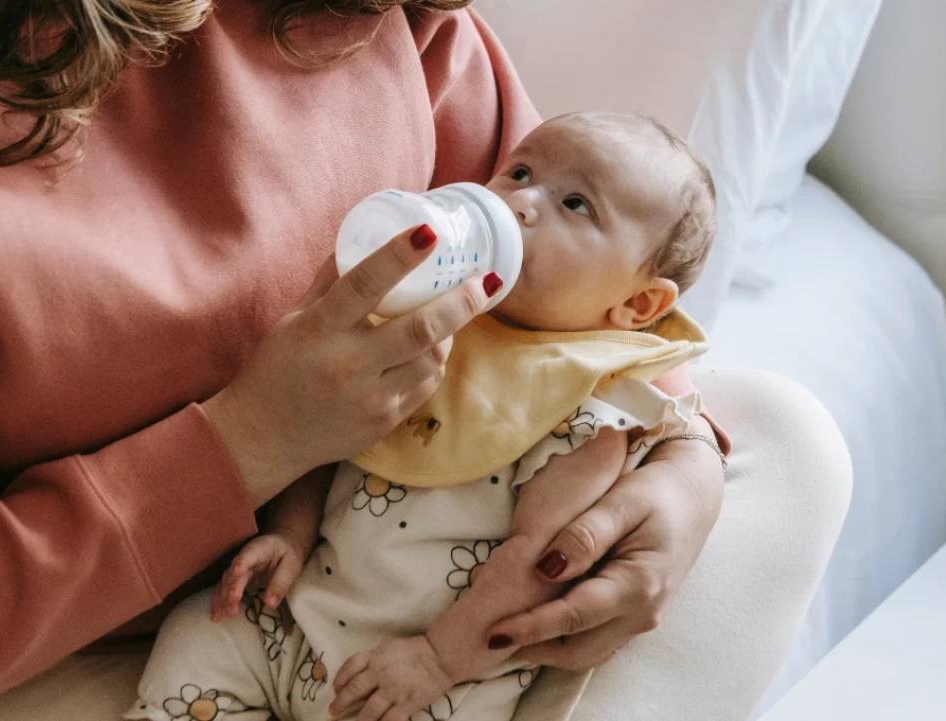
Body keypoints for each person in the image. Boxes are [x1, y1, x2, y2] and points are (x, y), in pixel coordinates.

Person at [0, 2, 851, 720]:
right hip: (53, 634)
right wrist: (252, 441)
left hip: (382, 605)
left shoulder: (386, 21)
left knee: (787, 442)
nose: (522, 199)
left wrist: (681, 473)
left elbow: (585, 285)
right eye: (526, 185)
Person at [128, 110, 718, 721]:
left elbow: (539, 560)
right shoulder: (423, 315)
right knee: (200, 633)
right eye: (519, 173)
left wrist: (439, 659)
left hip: (422, 679)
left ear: (637, 304)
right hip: (295, 621)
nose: (521, 203)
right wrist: (291, 534)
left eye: (576, 204)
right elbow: (321, 435)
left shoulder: (584, 408)